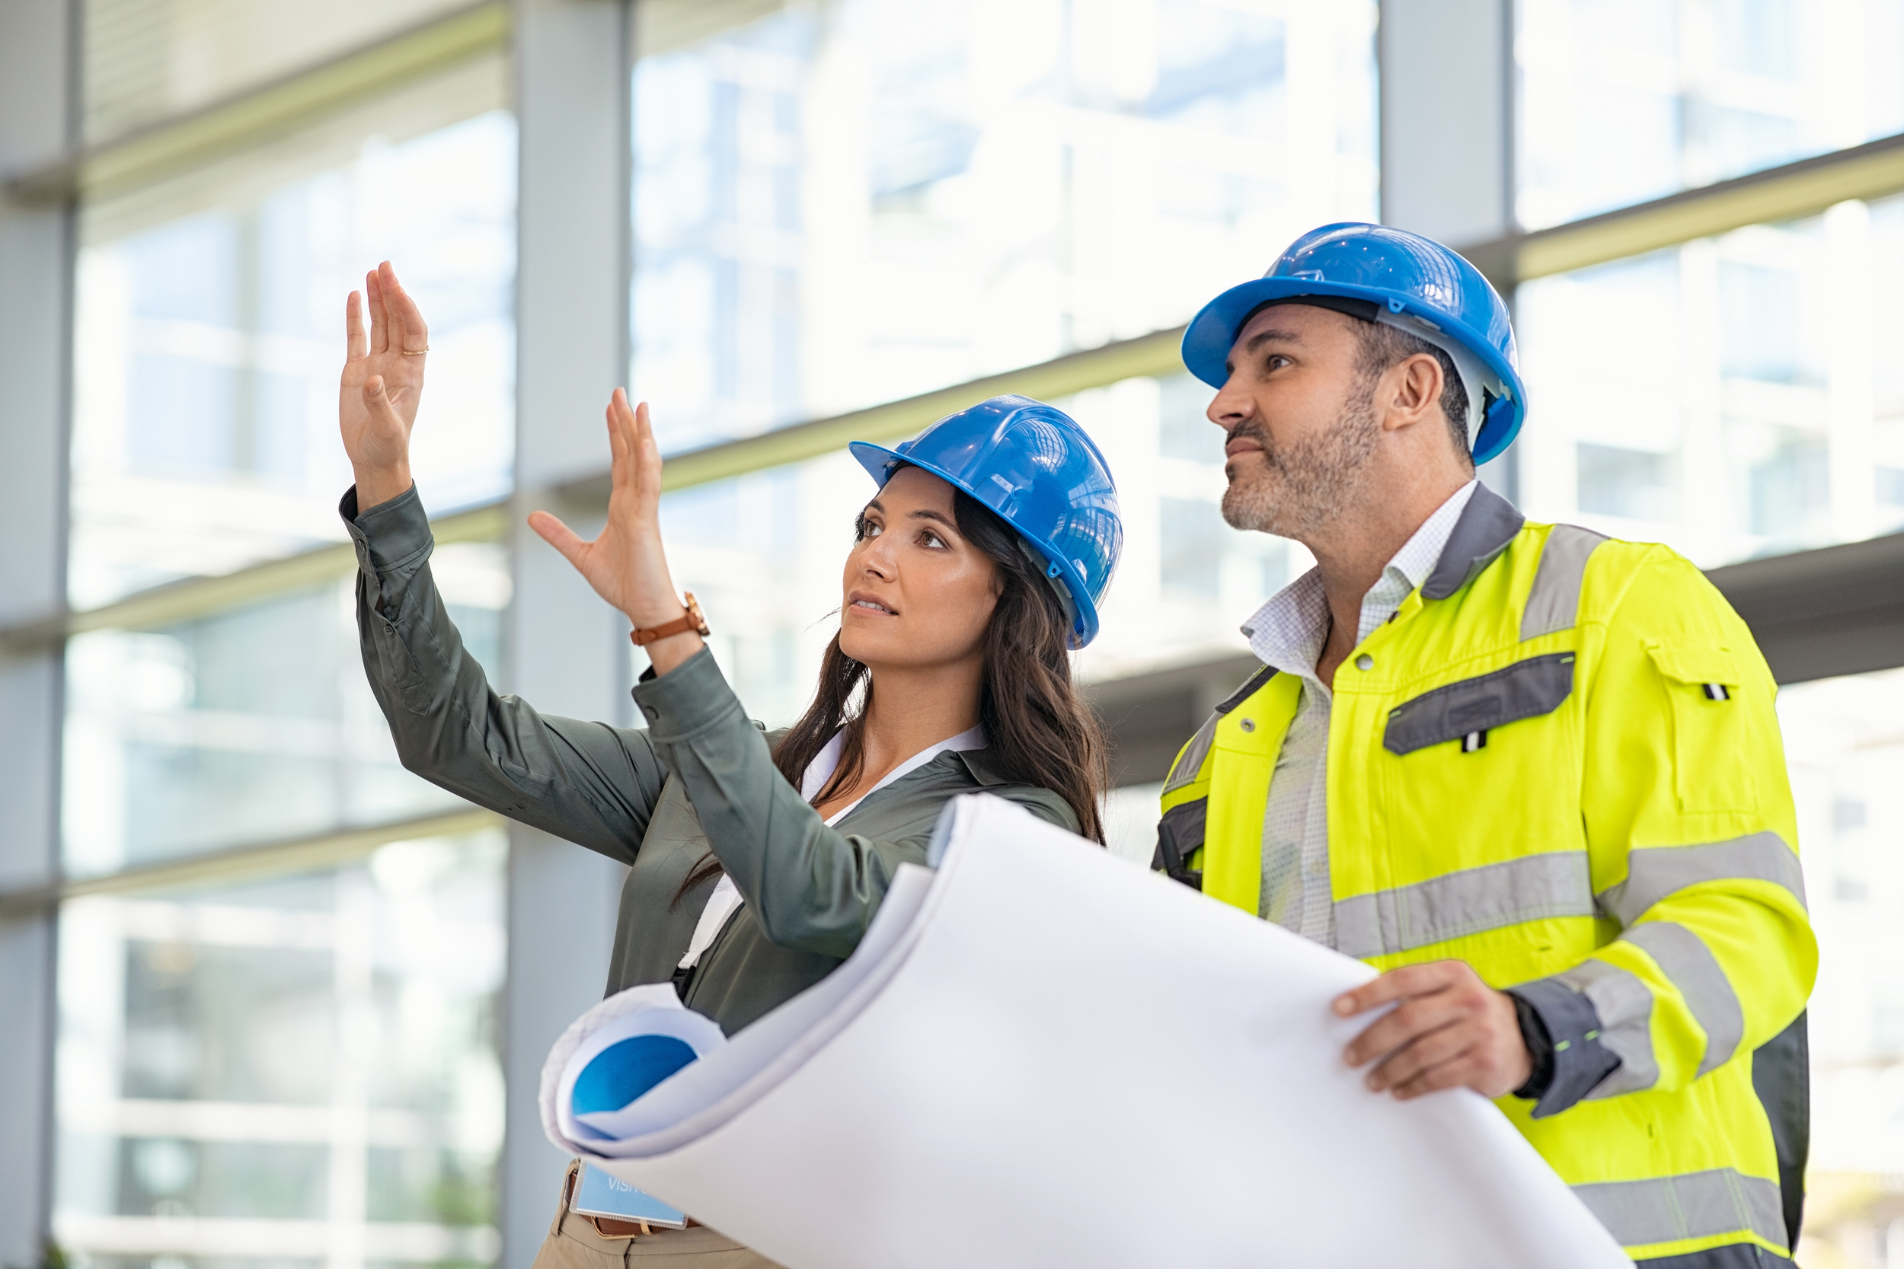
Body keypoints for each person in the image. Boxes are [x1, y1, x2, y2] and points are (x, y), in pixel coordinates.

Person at [335, 262, 1123, 1267]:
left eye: (931, 540)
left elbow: (811, 893)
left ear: (1017, 602)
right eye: (873, 525)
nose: (875, 556)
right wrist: (387, 494)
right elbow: (456, 735)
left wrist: (666, 626)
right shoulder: (733, 766)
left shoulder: (1009, 833)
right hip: (588, 1228)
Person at [1154, 223, 1815, 1268]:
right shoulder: (1230, 742)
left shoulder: (1614, 604)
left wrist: (1536, 1027)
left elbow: (1744, 930)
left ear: (1408, 390)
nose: (1223, 403)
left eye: (1272, 360)